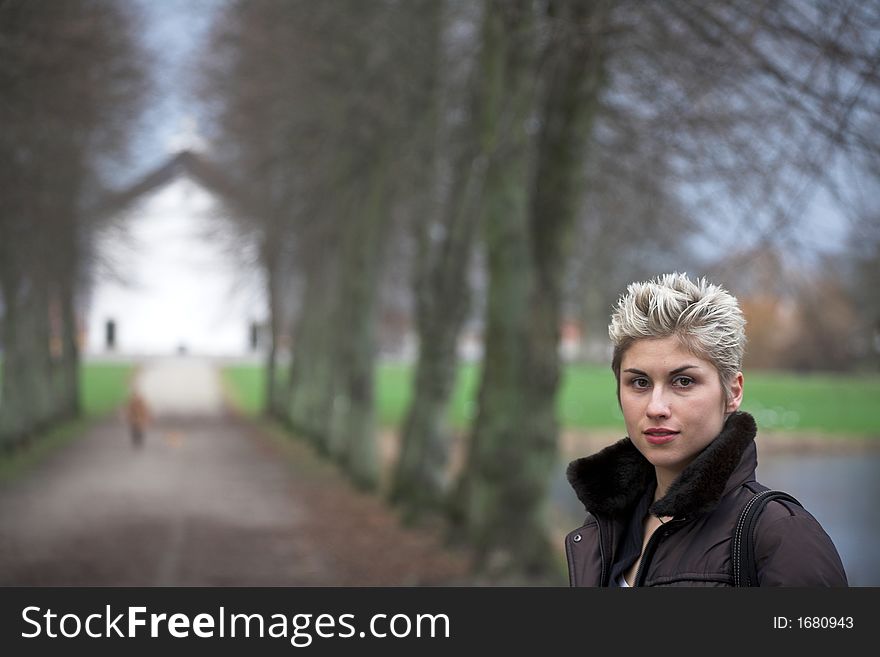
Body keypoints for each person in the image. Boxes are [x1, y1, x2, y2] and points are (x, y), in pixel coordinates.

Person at [565, 272, 847, 587]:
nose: (656, 407)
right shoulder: (605, 527)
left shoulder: (780, 535)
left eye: (683, 381)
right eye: (639, 382)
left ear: (733, 392)